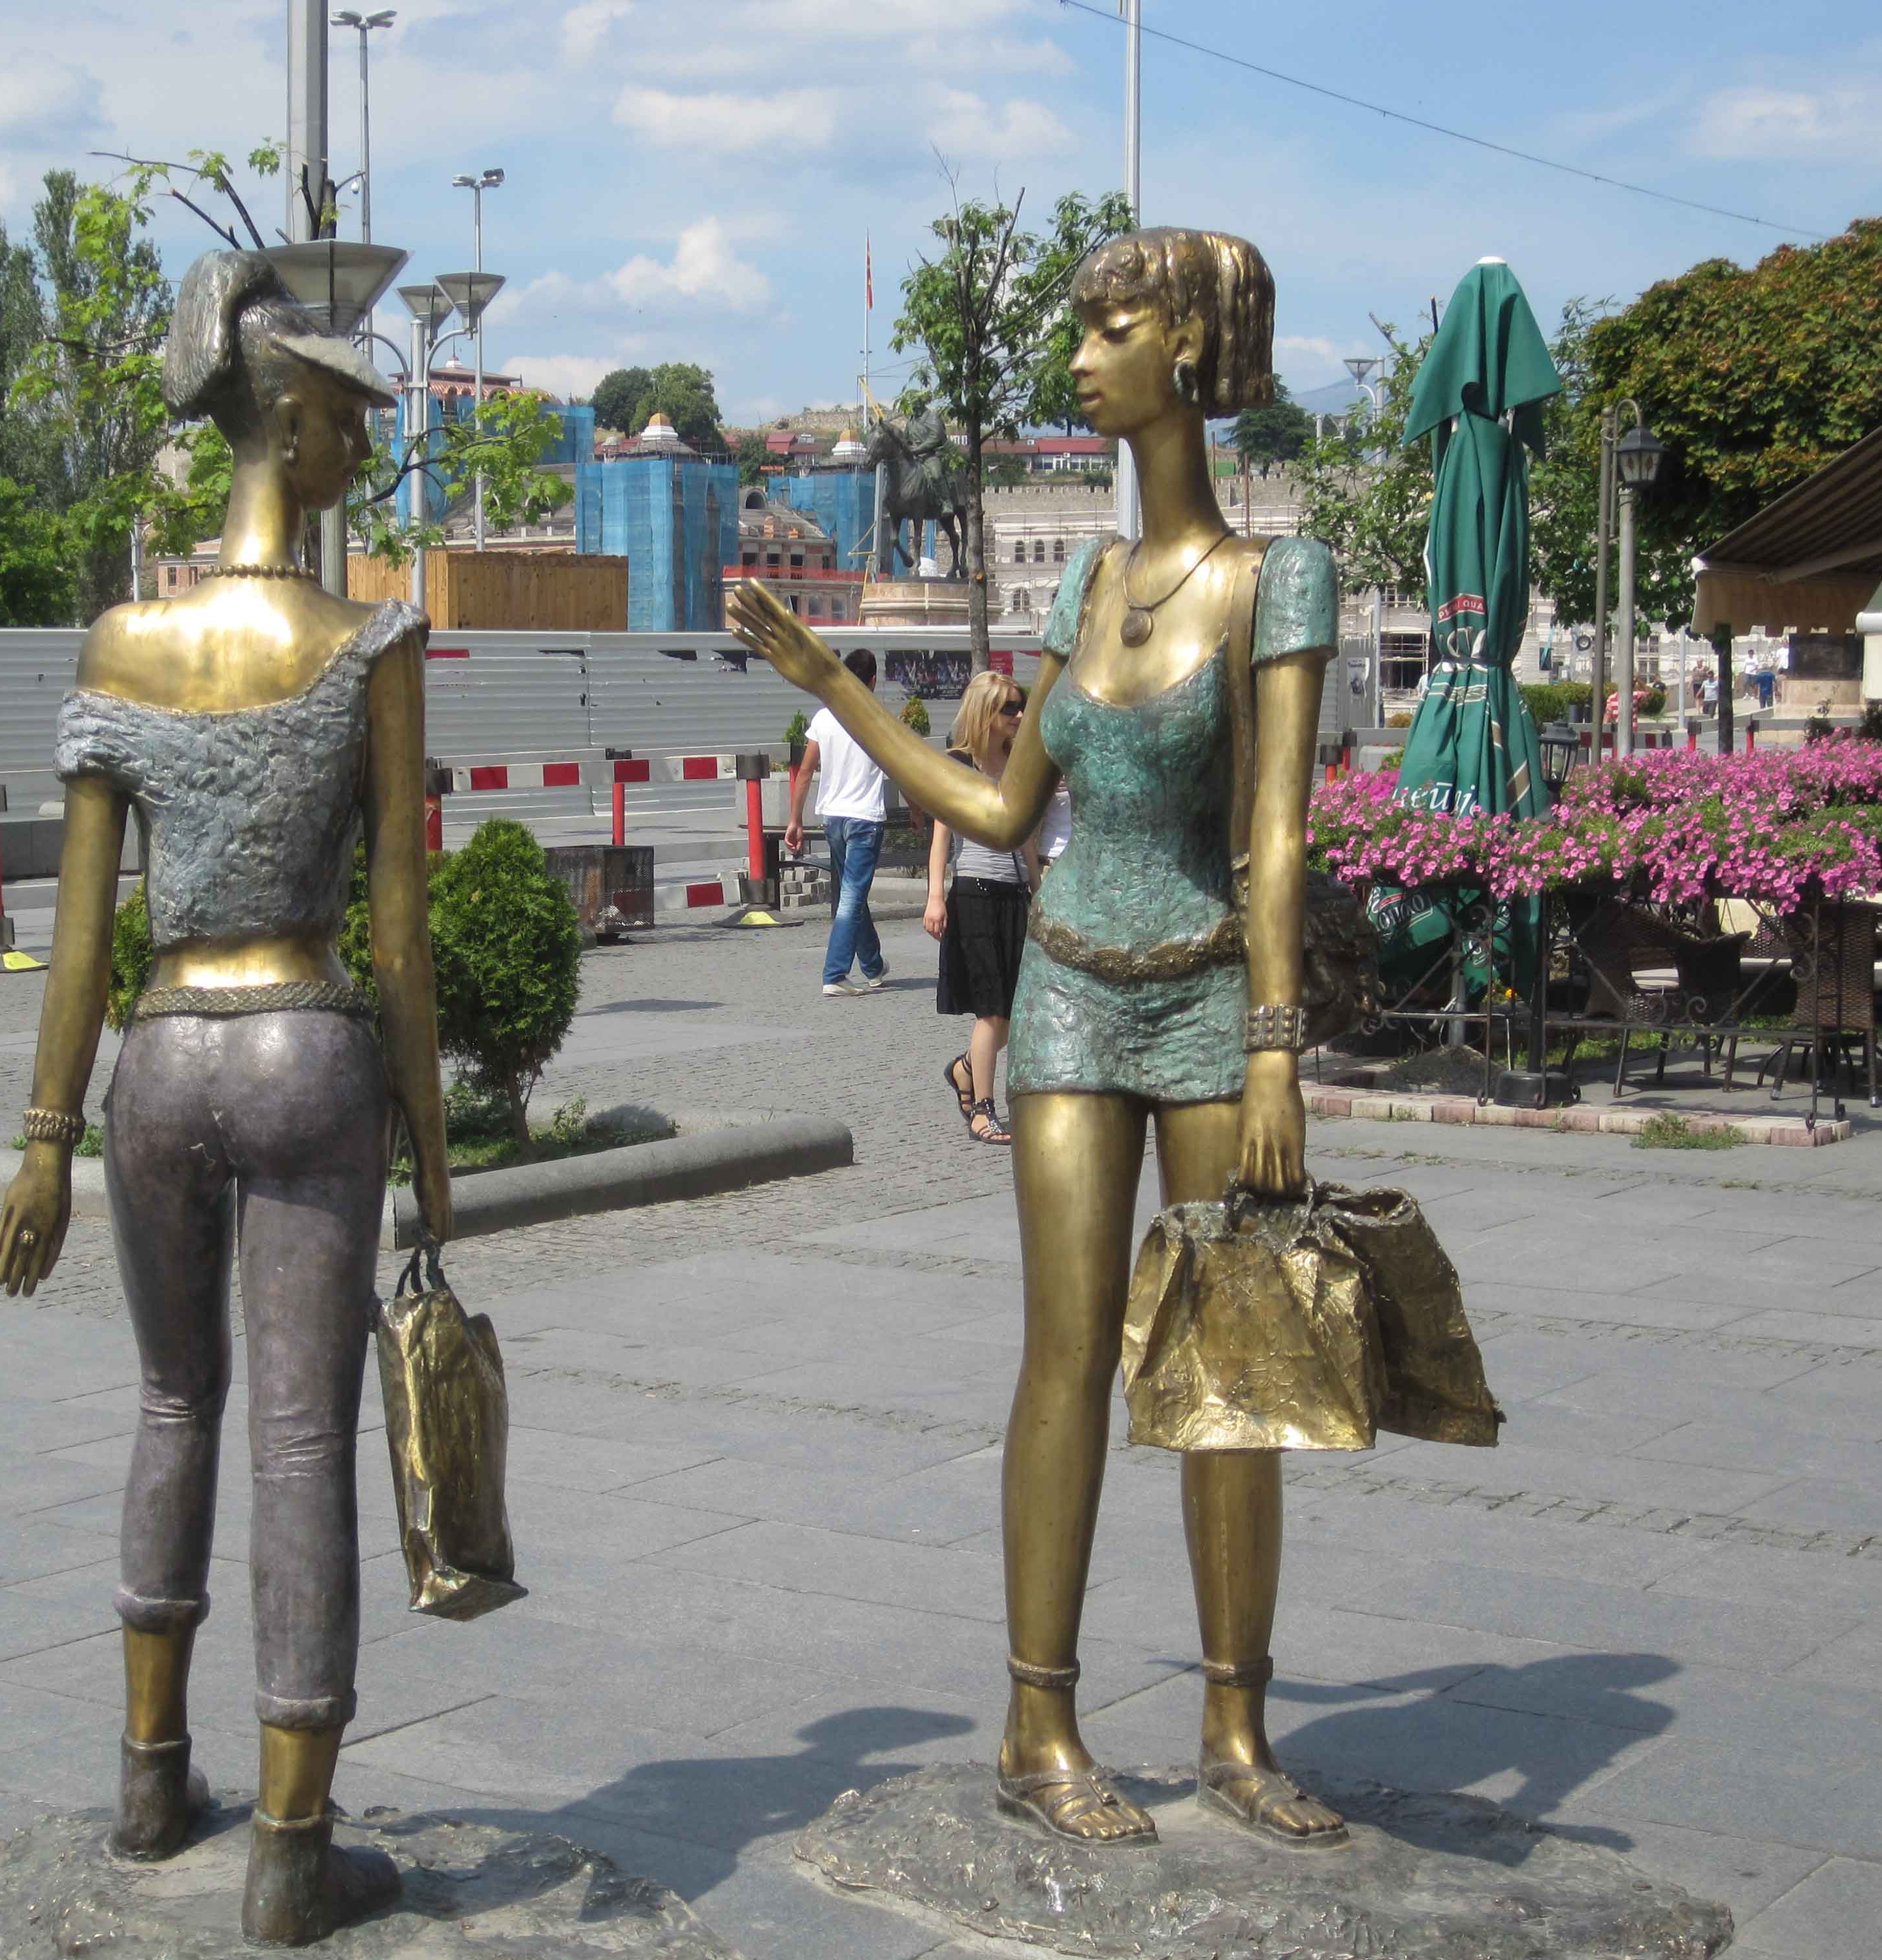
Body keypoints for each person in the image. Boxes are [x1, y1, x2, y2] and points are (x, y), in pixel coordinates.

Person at [734, 227, 1354, 1851]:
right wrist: (839, 687)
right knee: (1064, 1353)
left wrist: (1278, 1042)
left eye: (1114, 326)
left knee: (1231, 1365)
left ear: (1192, 354)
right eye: (1079, 328)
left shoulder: (1273, 576)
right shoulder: (1090, 582)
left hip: (1213, 990)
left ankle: (1234, 1719)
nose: (1083, 358)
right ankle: (1037, 1714)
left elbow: (1275, 835)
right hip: (1073, 986)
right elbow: (1003, 807)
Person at [0, 252, 454, 1944]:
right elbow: (396, 921)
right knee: (299, 1437)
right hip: (308, 1048)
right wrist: (436, 1145)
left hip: (162, 1062)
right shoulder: (374, 639)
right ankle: (288, 1841)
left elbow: (83, 929)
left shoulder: (129, 640)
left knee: (172, 1407)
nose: (356, 443)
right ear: (284, 416)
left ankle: (142, 1778)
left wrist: (45, 1142)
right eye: (341, 412)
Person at [927, 672, 1034, 1145]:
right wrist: (934, 895)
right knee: (990, 1012)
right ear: (986, 712)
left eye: (1020, 705)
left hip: (1013, 892)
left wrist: (1038, 883)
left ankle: (966, 1068)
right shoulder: (959, 763)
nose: (1019, 715)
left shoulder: (1017, 763)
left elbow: (1025, 831)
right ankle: (984, 1111)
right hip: (973, 891)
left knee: (1012, 1012)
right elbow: (942, 833)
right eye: (1010, 708)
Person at [783, 647, 889, 998]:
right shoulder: (877, 717)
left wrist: (796, 819)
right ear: (872, 681)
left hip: (833, 818)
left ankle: (873, 965)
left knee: (852, 894)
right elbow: (900, 768)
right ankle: (836, 973)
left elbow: (805, 771)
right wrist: (918, 810)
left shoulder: (825, 717)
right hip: (865, 819)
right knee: (852, 897)